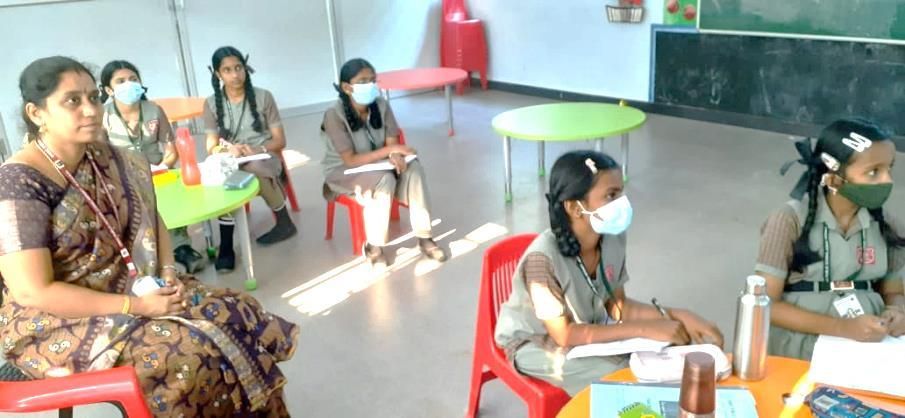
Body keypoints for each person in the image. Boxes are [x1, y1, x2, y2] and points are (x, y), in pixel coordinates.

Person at [0, 56, 298, 417]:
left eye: (93, 98)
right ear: (37, 113)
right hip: (59, 318)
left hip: (137, 285)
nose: (90, 110)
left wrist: (168, 274)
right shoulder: (19, 182)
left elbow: (153, 220)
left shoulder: (110, 159)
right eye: (72, 101)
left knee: (238, 311)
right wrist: (138, 307)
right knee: (190, 355)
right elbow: (33, 291)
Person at [494, 150, 723, 396]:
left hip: (586, 326)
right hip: (535, 342)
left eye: (620, 192)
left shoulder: (611, 236)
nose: (621, 203)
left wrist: (677, 316)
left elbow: (617, 306)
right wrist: (645, 328)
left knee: (668, 351)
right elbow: (564, 335)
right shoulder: (541, 262)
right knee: (624, 375)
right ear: (575, 207)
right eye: (611, 195)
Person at [755, 118, 905, 360]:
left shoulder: (887, 224)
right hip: (800, 349)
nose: (887, 180)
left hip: (869, 351)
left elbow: (894, 291)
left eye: (889, 168)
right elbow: (765, 303)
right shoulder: (788, 220)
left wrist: (896, 311)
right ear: (833, 179)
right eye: (873, 172)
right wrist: (842, 328)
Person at [320, 58, 445, 267]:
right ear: (346, 87)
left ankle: (425, 237)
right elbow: (350, 159)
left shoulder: (381, 105)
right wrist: (389, 151)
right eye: (363, 81)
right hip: (344, 171)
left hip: (378, 164)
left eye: (372, 80)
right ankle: (374, 245)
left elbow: (392, 140)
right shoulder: (334, 115)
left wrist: (395, 154)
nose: (370, 85)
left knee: (413, 168)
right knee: (384, 180)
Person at [99, 59, 206, 274]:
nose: (129, 84)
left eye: (133, 79)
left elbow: (170, 149)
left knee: (172, 195)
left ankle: (181, 246)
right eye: (121, 81)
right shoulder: (103, 115)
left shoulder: (154, 110)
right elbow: (101, 154)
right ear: (109, 90)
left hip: (158, 172)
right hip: (121, 177)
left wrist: (162, 166)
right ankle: (142, 255)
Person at [203, 46, 297, 272]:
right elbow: (211, 146)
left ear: (245, 68)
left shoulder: (264, 96)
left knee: (254, 168)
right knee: (225, 174)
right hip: (232, 158)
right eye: (227, 70)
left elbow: (280, 141)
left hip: (264, 155)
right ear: (218, 74)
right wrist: (228, 151)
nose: (235, 75)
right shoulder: (211, 103)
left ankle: (281, 223)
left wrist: (257, 148)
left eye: (238, 68)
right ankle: (228, 242)